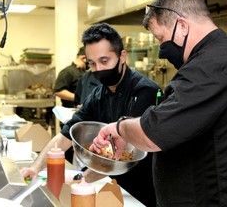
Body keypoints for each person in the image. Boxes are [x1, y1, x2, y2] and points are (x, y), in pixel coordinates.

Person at [90, 0, 227, 206]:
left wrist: (119, 128)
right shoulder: (220, 57)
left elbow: (154, 132)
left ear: (182, 25)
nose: (162, 52)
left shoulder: (212, 65)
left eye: (161, 38)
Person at [21, 23, 161, 206]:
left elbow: (119, 155)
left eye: (104, 61)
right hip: (114, 187)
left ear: (122, 56)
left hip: (143, 190)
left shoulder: (144, 91)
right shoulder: (98, 95)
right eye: (92, 63)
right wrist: (35, 168)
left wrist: (82, 179)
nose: (98, 69)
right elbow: (66, 135)